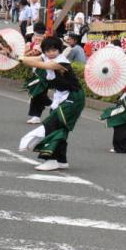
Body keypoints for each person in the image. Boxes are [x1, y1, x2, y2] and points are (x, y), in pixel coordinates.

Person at [18, 36, 84, 171]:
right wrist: (13, 56)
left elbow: (41, 64)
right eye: (47, 50)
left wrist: (20, 59)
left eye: (54, 50)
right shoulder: (47, 57)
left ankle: (51, 159)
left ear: (59, 50)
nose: (51, 53)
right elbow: (35, 59)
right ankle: (61, 160)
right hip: (61, 96)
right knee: (60, 129)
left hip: (73, 97)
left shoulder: (60, 62)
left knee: (52, 125)